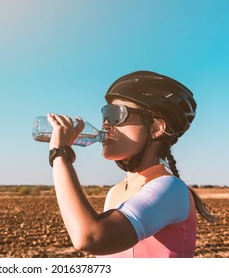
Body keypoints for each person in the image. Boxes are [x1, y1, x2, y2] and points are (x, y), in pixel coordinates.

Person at [47, 70, 216, 258]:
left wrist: (60, 153)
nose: (105, 125)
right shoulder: (115, 192)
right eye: (105, 114)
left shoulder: (170, 188)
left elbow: (90, 237)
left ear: (157, 128)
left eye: (116, 115)